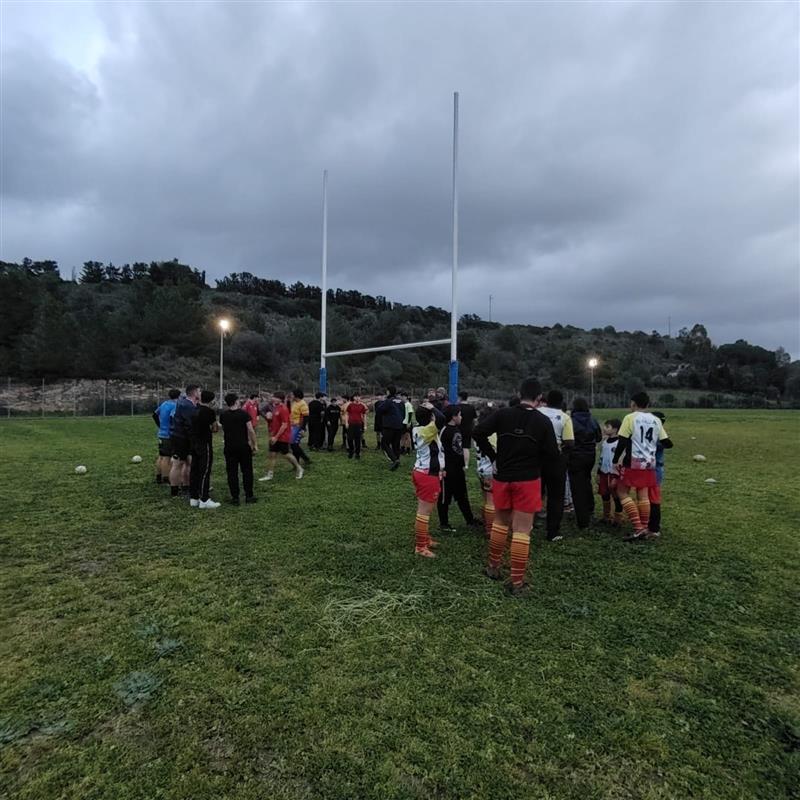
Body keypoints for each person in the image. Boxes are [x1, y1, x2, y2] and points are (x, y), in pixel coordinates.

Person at [473, 377, 559, 595]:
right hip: (527, 480)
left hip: (502, 478)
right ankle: (517, 582)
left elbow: (477, 432)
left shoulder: (503, 414)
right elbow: (552, 455)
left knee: (500, 523)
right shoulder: (542, 422)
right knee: (522, 530)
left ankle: (493, 567)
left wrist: (494, 457)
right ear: (540, 398)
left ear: (519, 393)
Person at [612, 392, 673, 541]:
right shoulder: (655, 420)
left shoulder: (630, 418)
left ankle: (638, 528)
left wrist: (615, 460)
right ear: (648, 405)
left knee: (621, 492)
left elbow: (622, 442)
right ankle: (645, 528)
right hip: (649, 463)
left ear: (633, 404)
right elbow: (667, 443)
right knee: (643, 495)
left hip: (632, 461)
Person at [537, 390, 575, 541]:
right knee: (556, 496)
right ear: (561, 402)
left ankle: (526, 524)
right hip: (555, 460)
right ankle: (552, 531)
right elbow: (570, 443)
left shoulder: (537, 412)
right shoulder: (564, 417)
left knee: (534, 492)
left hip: (536, 458)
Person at [437, 405, 481, 532]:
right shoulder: (449, 431)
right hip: (448, 470)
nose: (461, 417)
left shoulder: (452, 428)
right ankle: (444, 524)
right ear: (453, 417)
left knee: (462, 496)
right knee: (445, 497)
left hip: (456, 469)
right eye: (459, 415)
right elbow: (450, 451)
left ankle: (470, 520)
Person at [410, 401, 446, 558]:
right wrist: (433, 408)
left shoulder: (419, 428)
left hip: (421, 472)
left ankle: (425, 539)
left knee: (424, 509)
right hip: (427, 475)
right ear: (430, 417)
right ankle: (420, 546)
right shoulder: (428, 429)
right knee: (424, 512)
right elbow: (442, 418)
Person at [568, 397, 602, 529]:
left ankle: (582, 519)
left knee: (577, 488)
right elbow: (598, 437)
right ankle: (590, 508)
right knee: (587, 481)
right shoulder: (592, 420)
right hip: (590, 457)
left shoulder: (571, 421)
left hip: (575, 457)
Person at [220, 393, 258, 505]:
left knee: (232, 472)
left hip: (229, 446)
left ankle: (235, 497)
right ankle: (249, 496)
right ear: (236, 401)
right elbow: (250, 430)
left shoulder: (223, 415)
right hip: (243, 446)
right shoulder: (244, 414)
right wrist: (254, 444)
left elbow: (224, 429)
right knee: (247, 471)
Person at [261, 391, 303, 480]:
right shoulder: (275, 407)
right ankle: (269, 474)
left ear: (279, 399)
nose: (272, 398)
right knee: (272, 454)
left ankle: (299, 468)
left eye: (274, 397)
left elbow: (284, 425)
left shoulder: (283, 408)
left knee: (286, 454)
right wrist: (269, 418)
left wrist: (276, 437)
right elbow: (275, 421)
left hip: (282, 436)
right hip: (274, 435)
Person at [189, 390, 220, 509]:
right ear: (211, 400)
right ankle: (204, 499)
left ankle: (194, 497)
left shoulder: (194, 409)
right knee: (205, 471)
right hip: (204, 443)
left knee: (194, 470)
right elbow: (215, 428)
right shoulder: (209, 412)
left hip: (193, 442)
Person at [169, 384, 200, 497]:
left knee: (188, 462)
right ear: (195, 393)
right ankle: (174, 491)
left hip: (183, 438)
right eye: (199, 391)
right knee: (178, 463)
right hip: (181, 439)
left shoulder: (185, 403)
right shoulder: (187, 405)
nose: (200, 394)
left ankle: (186, 486)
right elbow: (189, 424)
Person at [474, 405, 497, 538]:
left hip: (481, 469)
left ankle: (486, 520)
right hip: (491, 470)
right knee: (491, 500)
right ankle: (490, 528)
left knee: (486, 497)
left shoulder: (478, 432)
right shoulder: (493, 435)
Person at [597, 418, 624, 527]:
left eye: (607, 427)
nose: (604, 428)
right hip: (604, 473)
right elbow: (602, 457)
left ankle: (618, 519)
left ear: (615, 429)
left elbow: (622, 459)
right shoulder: (604, 442)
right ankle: (606, 516)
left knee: (616, 496)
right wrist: (599, 472)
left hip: (614, 474)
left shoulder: (620, 443)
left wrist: (617, 475)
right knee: (604, 494)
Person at [152, 388, 180, 485]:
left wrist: (160, 425)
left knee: (161, 456)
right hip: (169, 435)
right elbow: (173, 418)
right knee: (167, 458)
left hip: (161, 433)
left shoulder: (164, 404)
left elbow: (154, 414)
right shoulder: (175, 405)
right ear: (179, 397)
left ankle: (158, 476)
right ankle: (166, 478)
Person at [648, 411, 668, 537]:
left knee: (653, 499)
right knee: (647, 497)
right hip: (649, 469)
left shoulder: (660, 435)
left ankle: (654, 528)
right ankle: (648, 523)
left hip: (655, 470)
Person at [376, 385, 404, 471]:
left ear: (388, 392)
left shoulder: (389, 401)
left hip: (390, 425)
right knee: (396, 444)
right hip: (400, 425)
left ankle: (394, 460)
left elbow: (379, 409)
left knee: (384, 443)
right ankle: (397, 459)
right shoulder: (400, 401)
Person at [289, 389, 312, 466]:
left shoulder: (303, 404)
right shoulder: (294, 403)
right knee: (294, 444)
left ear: (296, 395)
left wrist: (302, 428)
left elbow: (306, 417)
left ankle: (304, 459)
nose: (291, 396)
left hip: (298, 427)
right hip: (293, 426)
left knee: (294, 445)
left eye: (292, 394)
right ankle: (299, 461)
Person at [345, 393, 368, 459]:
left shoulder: (362, 406)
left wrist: (365, 425)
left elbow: (364, 416)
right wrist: (346, 422)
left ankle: (357, 453)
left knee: (358, 439)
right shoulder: (350, 405)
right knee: (349, 438)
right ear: (354, 397)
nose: (358, 398)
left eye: (359, 396)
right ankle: (351, 451)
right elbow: (347, 414)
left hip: (359, 424)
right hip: (351, 424)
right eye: (356, 396)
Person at [457, 390, 477, 467]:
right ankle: (466, 465)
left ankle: (458, 463)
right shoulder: (471, 408)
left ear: (460, 398)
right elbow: (474, 420)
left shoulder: (457, 407)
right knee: (466, 447)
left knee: (457, 447)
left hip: (458, 429)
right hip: (468, 429)